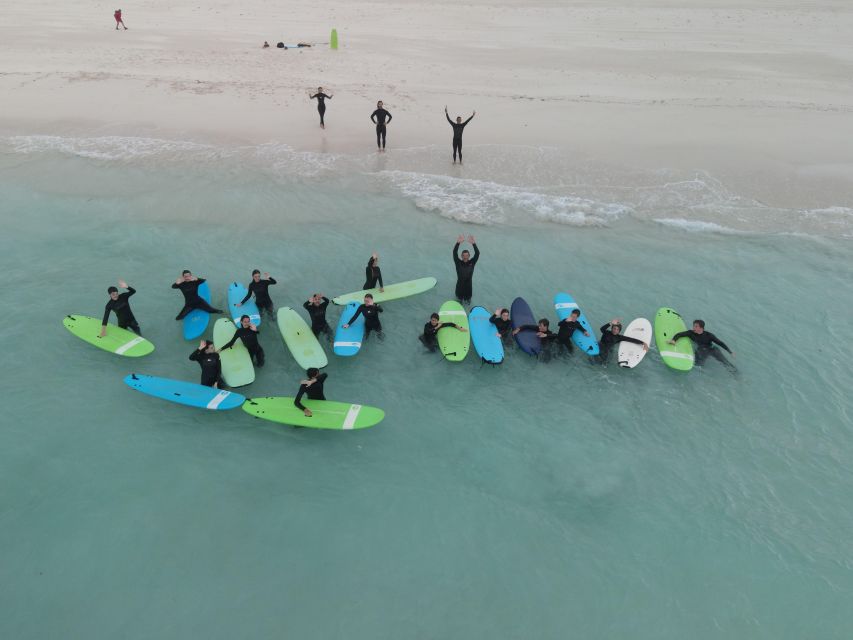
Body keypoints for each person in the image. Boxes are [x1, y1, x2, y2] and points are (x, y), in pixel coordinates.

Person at [669, 319, 736, 371]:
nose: (693, 327)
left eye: (696, 326)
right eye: (694, 326)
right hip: (701, 350)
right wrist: (674, 340)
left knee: (725, 363)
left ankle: (736, 374)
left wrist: (730, 352)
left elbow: (720, 343)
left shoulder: (709, 335)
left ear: (701, 328)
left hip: (712, 349)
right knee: (697, 366)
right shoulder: (690, 333)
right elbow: (679, 334)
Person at [452, 234, 480, 304]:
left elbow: (477, 253)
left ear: (469, 256)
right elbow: (454, 253)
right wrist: (458, 243)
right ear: (461, 256)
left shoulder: (472, 263)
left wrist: (474, 244)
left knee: (468, 304)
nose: (465, 257)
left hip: (468, 289)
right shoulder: (458, 263)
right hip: (459, 288)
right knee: (458, 303)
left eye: (467, 255)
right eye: (464, 255)